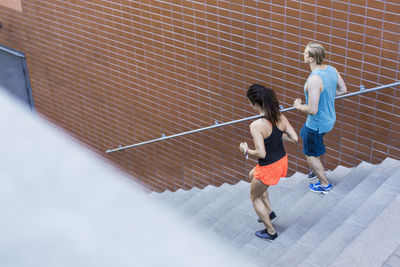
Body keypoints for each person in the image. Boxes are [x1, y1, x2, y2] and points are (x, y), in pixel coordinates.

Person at [239, 84, 298, 240]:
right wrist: (277, 137)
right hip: (281, 161)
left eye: (249, 102)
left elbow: (261, 153)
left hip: (269, 167)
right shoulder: (280, 117)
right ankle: (269, 213)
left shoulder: (256, 126)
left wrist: (245, 150)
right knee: (253, 175)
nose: (249, 105)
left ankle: (271, 232)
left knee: (254, 197)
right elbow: (294, 138)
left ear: (256, 104)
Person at [294, 41, 347, 194]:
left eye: (305, 53)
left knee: (309, 153)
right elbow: (343, 89)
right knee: (304, 135)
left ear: (311, 59)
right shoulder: (331, 70)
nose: (303, 54)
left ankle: (324, 184)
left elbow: (312, 109)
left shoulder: (314, 80)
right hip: (329, 118)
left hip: (317, 123)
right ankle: (314, 170)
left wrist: (298, 106)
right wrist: (327, 96)